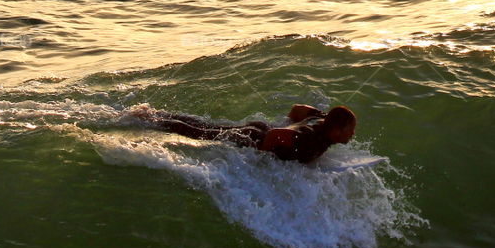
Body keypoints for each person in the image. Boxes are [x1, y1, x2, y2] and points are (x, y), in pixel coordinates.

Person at [128, 102, 357, 164]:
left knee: (207, 127)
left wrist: (288, 124)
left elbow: (298, 109)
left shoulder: (322, 117)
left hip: (259, 128)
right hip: (254, 137)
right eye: (350, 131)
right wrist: (260, 155)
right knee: (199, 133)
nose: (352, 135)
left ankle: (154, 113)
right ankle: (150, 119)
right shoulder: (311, 139)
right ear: (336, 130)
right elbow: (277, 135)